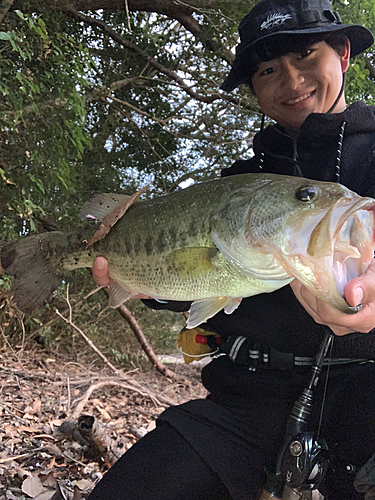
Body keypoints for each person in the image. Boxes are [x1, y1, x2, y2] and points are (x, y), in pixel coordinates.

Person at [88, 0, 375, 498]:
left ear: (343, 54)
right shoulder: (232, 185)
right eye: (268, 69)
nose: (291, 81)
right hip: (245, 406)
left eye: (307, 55)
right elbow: (202, 284)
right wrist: (145, 280)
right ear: (254, 87)